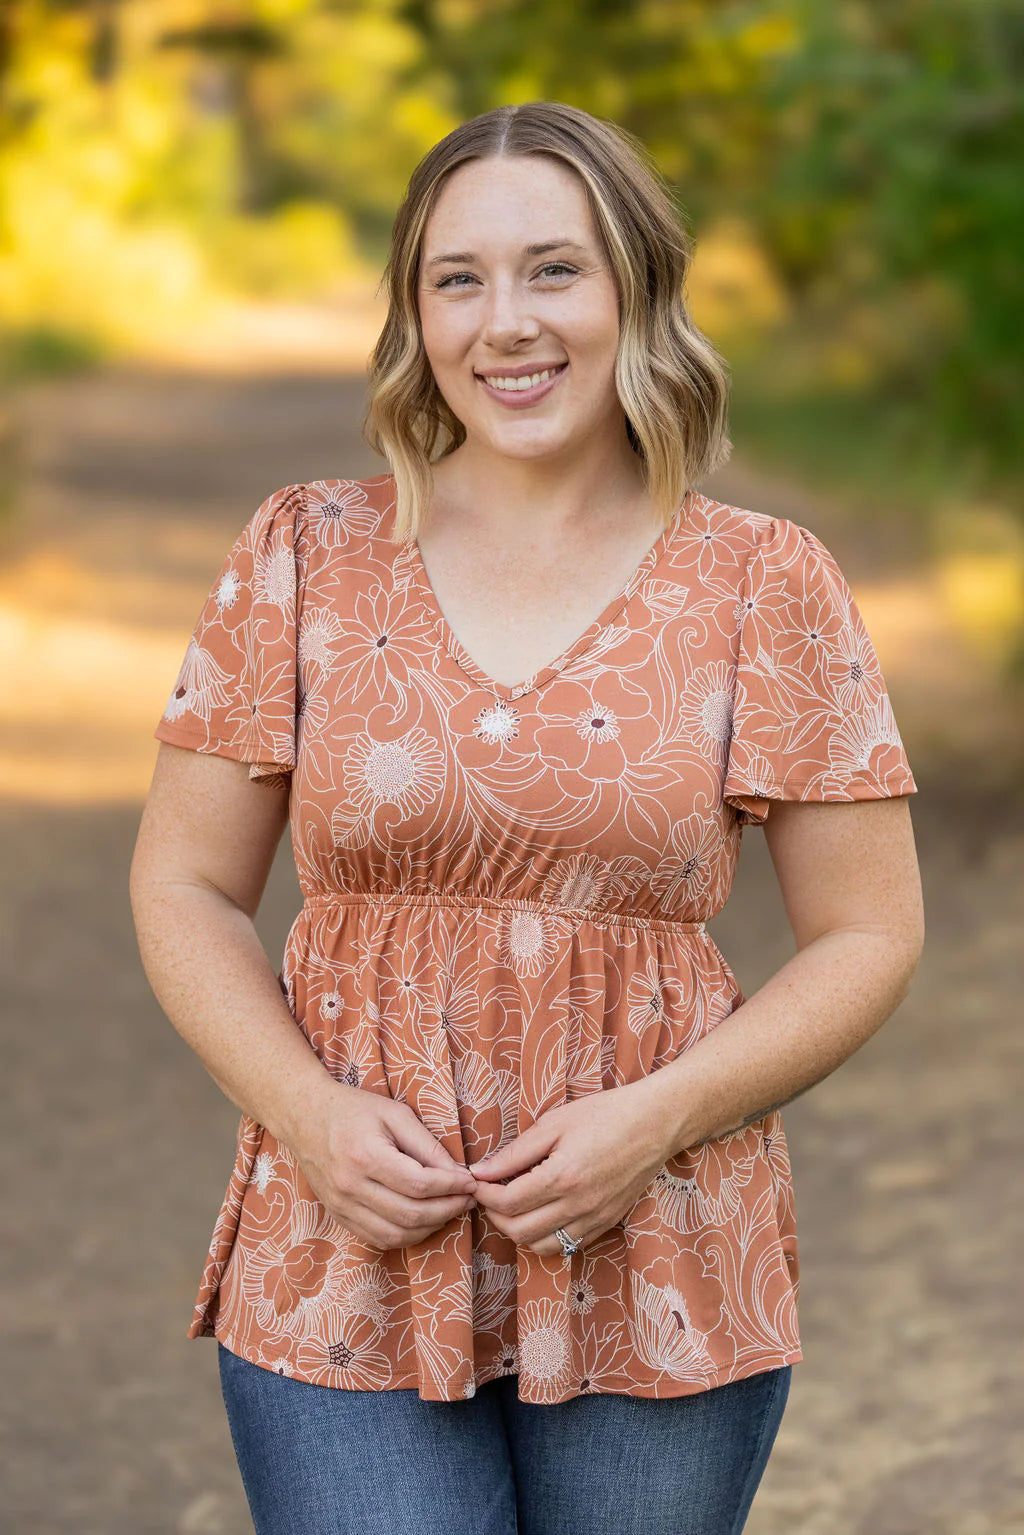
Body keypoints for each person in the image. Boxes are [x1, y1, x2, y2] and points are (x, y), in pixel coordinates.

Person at [130, 101, 925, 1535]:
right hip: (348, 1248)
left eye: (553, 270)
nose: (508, 323)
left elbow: (869, 932)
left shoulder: (763, 583)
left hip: (662, 1252)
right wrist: (309, 1119)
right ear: (415, 314)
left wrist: (656, 1120)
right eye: (458, 279)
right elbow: (184, 886)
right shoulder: (304, 552)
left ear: (636, 290)